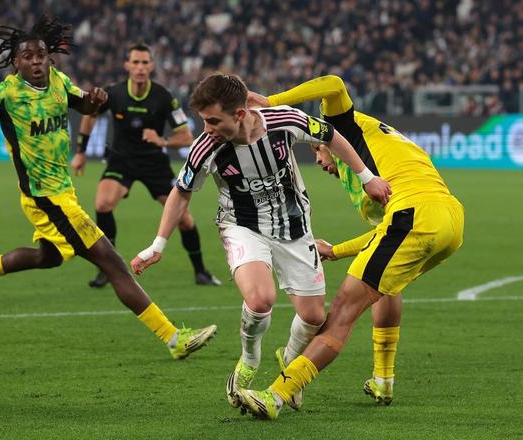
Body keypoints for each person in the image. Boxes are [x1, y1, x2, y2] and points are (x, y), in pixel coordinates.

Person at [0, 15, 216, 361]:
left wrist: (95, 98)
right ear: (16, 62)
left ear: (50, 58)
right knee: (113, 264)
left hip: (60, 193)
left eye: (41, 55)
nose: (37, 62)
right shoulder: (6, 93)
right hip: (47, 198)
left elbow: (86, 105)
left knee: (47, 257)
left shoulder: (59, 81)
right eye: (28, 57)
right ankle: (173, 338)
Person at [129, 73, 391, 410]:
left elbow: (331, 135)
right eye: (204, 121)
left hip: (294, 225)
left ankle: (290, 362)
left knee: (313, 316)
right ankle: (249, 360)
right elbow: (181, 192)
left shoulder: (285, 120)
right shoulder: (206, 147)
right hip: (242, 226)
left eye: (213, 121)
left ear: (240, 114)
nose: (207, 129)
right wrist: (158, 244)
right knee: (260, 298)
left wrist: (366, 177)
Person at [237, 75, 465, 419]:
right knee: (384, 288)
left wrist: (271, 102)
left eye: (317, 149)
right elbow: (385, 233)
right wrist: (337, 250)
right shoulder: (380, 159)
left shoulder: (345, 127)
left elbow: (333, 83)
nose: (319, 160)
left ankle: (277, 395)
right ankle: (383, 379)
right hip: (448, 220)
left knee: (343, 310)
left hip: (416, 215)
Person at [72, 42, 221, 288]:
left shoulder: (164, 97)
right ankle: (107, 269)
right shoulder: (114, 93)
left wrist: (162, 141)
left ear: (151, 66)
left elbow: (186, 136)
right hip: (121, 160)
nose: (140, 67)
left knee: (184, 219)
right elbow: (90, 115)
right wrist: (80, 152)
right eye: (136, 62)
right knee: (103, 203)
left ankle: (201, 271)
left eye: (144, 63)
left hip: (154, 164)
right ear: (127, 65)